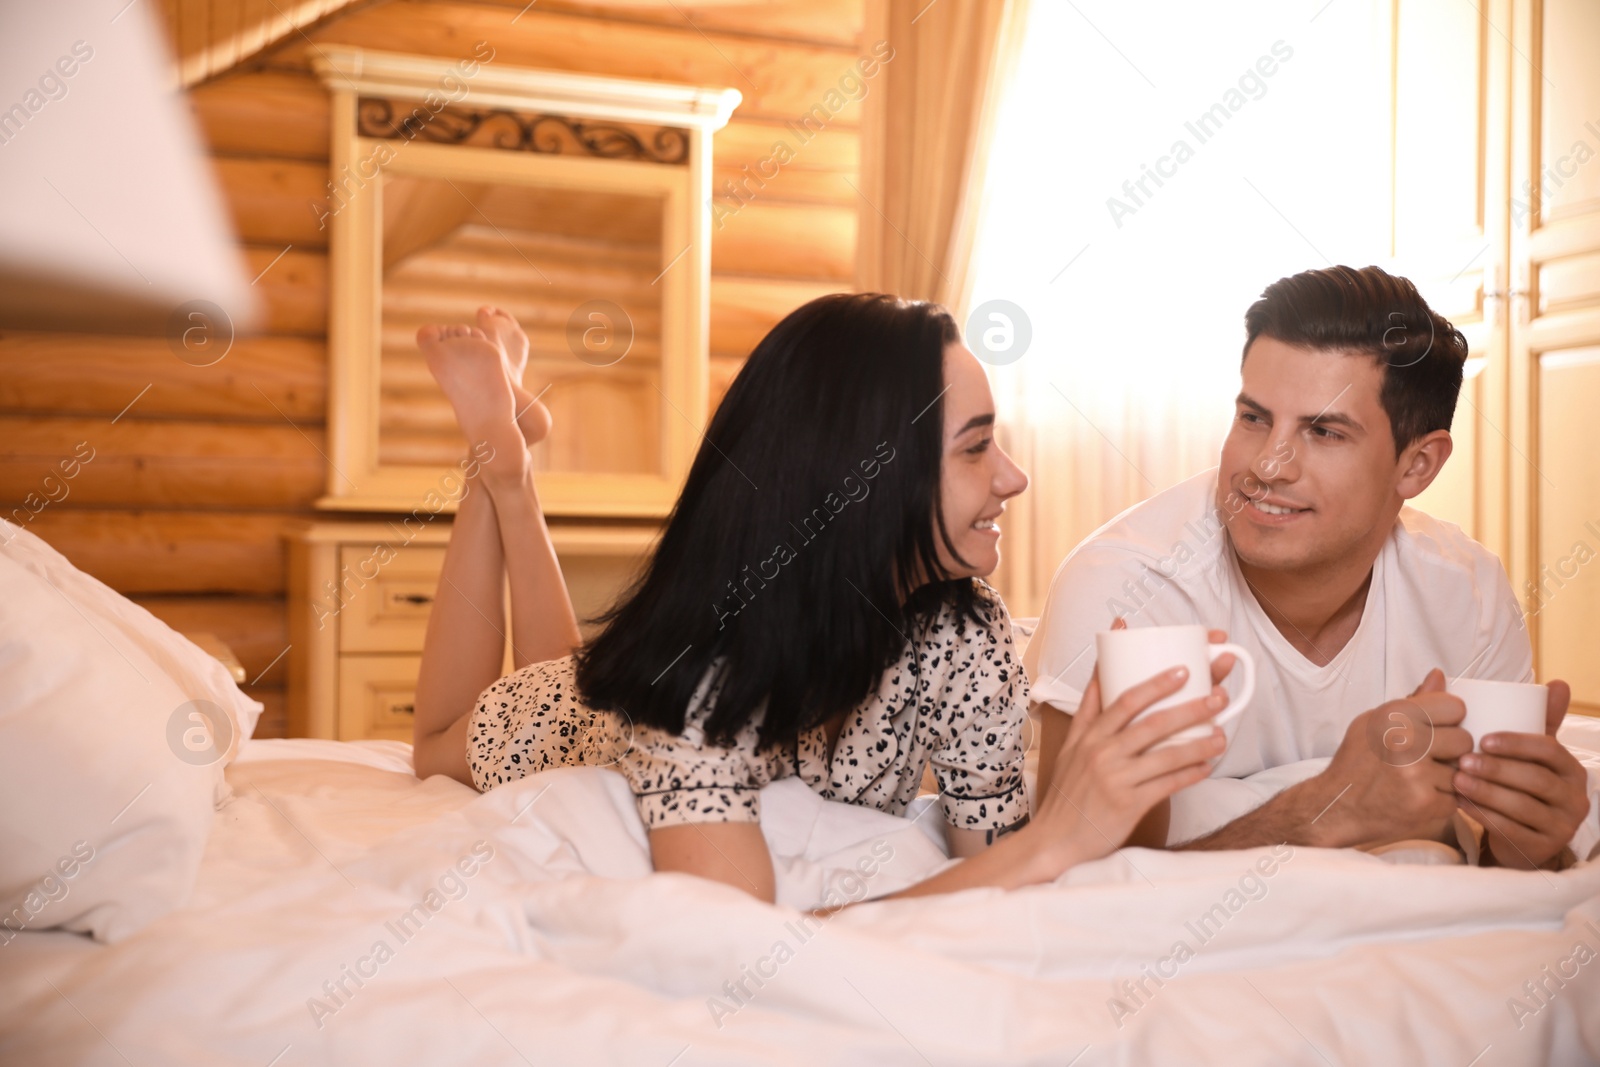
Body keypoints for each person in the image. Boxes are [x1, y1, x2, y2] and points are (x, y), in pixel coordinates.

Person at [410, 293, 1229, 902]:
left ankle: (511, 458)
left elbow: (995, 868)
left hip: (623, 690)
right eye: (977, 446)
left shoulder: (965, 625)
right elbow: (740, 936)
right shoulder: (699, 679)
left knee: (577, 667)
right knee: (453, 733)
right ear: (865, 479)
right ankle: (500, 468)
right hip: (576, 717)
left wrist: (1109, 780)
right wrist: (1054, 839)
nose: (1014, 476)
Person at [1025, 265, 1591, 869]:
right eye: (1254, 418)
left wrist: (1527, 844)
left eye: (1323, 431)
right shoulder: (1124, 586)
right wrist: (1325, 812)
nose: (1268, 466)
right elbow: (1078, 884)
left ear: (1417, 466)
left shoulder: (1467, 593)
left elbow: (1507, 875)